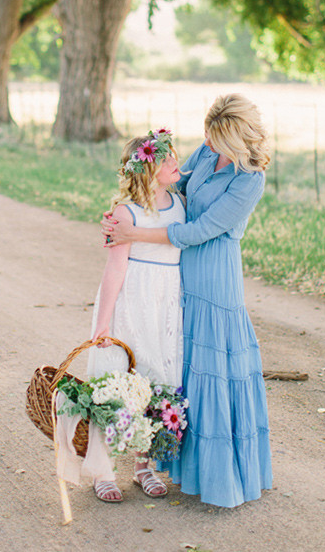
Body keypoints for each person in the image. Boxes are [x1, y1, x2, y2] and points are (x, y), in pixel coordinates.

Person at [102, 93, 272, 508]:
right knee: (178, 363)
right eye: (207, 136)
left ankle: (221, 476)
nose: (207, 145)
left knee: (212, 370)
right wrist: (125, 212)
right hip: (176, 273)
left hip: (214, 277)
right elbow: (171, 179)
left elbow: (199, 230)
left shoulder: (249, 179)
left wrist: (134, 234)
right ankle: (169, 462)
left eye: (216, 139)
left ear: (236, 139)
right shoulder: (207, 148)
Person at [87, 128, 185, 503]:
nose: (177, 162)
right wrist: (103, 323)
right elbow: (114, 270)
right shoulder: (125, 213)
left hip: (165, 303)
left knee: (156, 378)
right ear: (148, 169)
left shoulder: (180, 205)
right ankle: (104, 470)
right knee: (118, 380)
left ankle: (146, 465)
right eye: (168, 159)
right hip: (131, 302)